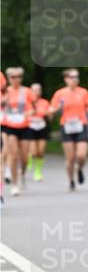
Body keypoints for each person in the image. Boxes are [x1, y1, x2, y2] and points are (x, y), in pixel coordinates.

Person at [49, 69, 88, 191]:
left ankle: (79, 169)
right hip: (66, 126)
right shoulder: (60, 93)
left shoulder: (83, 92)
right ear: (66, 79)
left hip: (81, 125)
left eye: (77, 77)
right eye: (72, 77)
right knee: (70, 158)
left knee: (81, 155)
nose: (75, 79)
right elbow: (51, 110)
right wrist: (57, 109)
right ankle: (71, 180)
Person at [2, 67, 35, 195]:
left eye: (19, 77)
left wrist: (29, 113)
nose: (16, 79)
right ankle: (14, 184)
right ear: (8, 78)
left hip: (24, 126)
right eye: (13, 77)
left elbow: (33, 107)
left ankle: (23, 174)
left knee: (25, 157)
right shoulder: (5, 92)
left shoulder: (26, 91)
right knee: (13, 155)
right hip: (10, 126)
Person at [28, 83, 51, 182]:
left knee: (40, 152)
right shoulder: (27, 103)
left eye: (38, 90)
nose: (36, 92)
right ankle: (28, 157)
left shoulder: (45, 102)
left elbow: (50, 117)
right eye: (34, 90)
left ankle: (38, 172)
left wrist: (49, 114)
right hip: (30, 127)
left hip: (41, 127)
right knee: (34, 152)